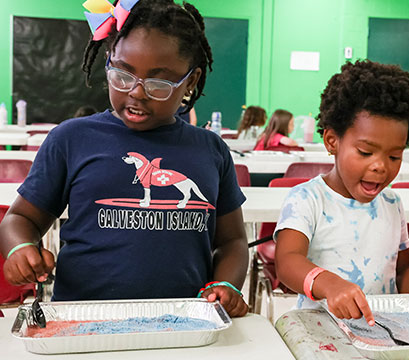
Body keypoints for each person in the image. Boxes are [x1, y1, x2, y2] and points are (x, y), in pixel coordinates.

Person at [0, 0, 249, 317]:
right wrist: (20, 249)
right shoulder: (71, 139)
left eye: (158, 83)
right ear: (108, 61)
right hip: (82, 319)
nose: (137, 92)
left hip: (184, 322)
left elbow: (232, 242)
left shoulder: (210, 150)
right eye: (122, 75)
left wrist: (226, 285)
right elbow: (21, 219)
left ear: (191, 81)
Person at [275, 60, 409, 326]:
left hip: (382, 329)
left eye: (394, 156)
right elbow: (287, 262)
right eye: (365, 152)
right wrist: (329, 284)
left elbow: (404, 268)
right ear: (332, 141)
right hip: (321, 330)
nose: (380, 166)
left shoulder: (392, 202)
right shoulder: (307, 198)